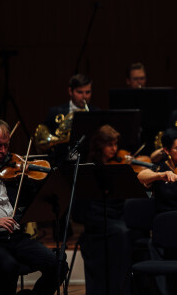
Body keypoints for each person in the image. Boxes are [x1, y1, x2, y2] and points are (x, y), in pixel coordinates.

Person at [0, 118, 65, 295]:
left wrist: (38, 180)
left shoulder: (15, 168)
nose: (3, 151)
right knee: (8, 266)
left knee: (57, 264)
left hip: (15, 237)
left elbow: (32, 196)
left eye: (6, 145)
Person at [74, 125, 133, 295]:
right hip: (96, 218)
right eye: (110, 145)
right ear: (100, 145)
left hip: (116, 215)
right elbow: (83, 207)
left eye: (116, 144)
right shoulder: (90, 168)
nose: (114, 149)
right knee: (121, 233)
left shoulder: (118, 165)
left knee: (129, 230)